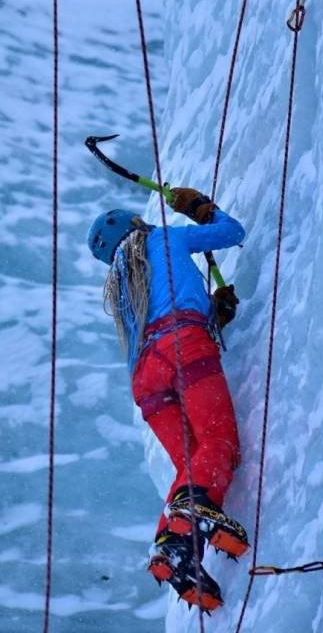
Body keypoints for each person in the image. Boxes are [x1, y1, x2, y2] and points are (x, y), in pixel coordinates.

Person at [86, 187, 248, 611]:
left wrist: (214, 314)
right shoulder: (164, 239)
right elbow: (232, 232)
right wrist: (201, 209)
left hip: (146, 376)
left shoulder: (124, 288)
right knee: (219, 445)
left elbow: (160, 314)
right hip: (185, 345)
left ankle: (171, 549)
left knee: (192, 463)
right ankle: (186, 523)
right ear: (136, 226)